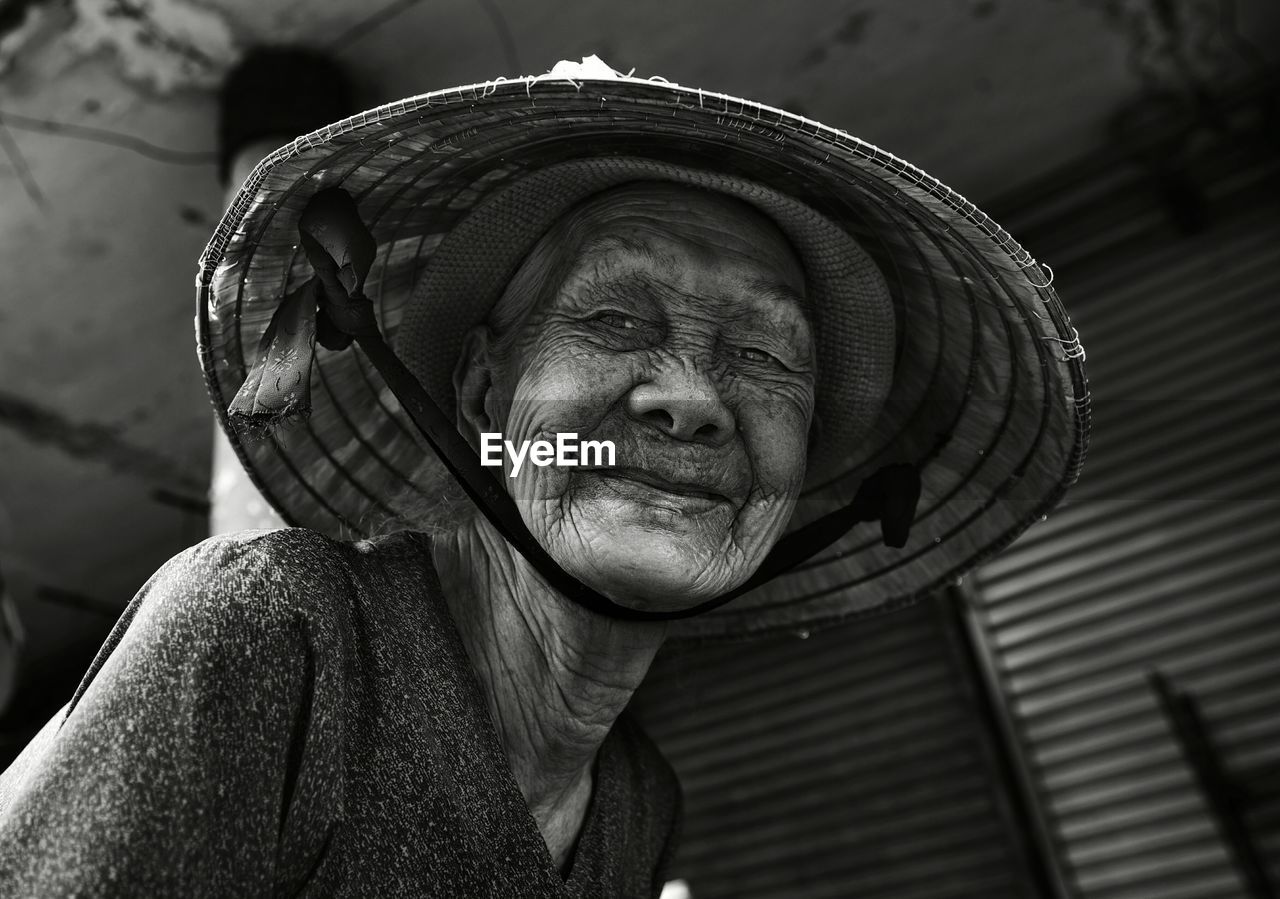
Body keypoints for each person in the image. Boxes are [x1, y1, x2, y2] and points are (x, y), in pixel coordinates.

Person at [0, 52, 1089, 898]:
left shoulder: (631, 802)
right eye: (613, 317)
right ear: (483, 399)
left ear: (794, 475)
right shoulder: (271, 634)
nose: (691, 396)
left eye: (763, 357)